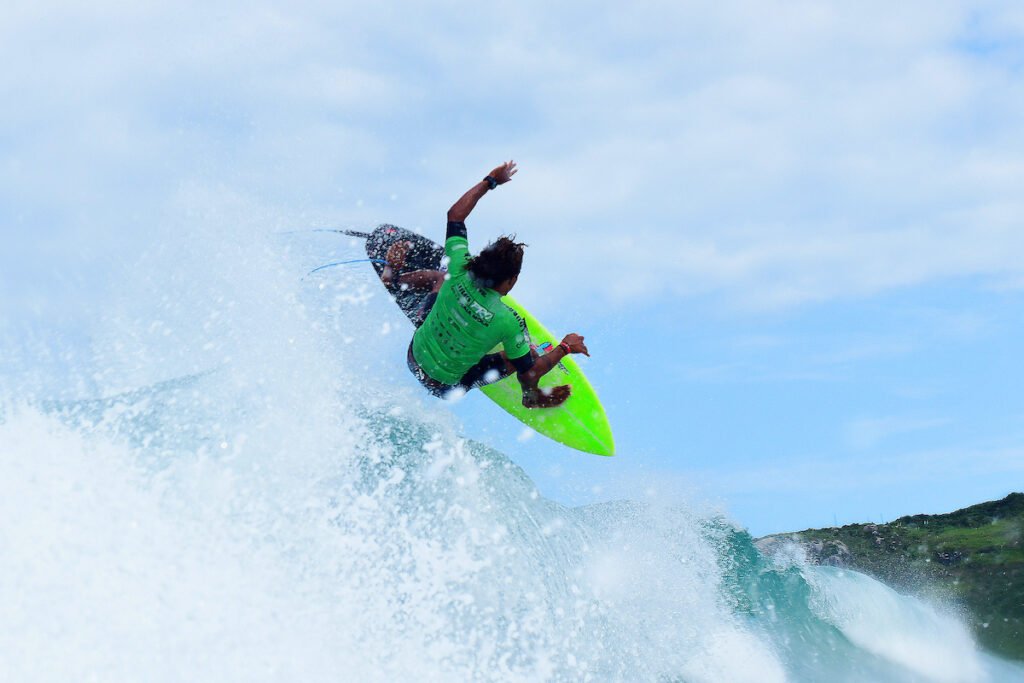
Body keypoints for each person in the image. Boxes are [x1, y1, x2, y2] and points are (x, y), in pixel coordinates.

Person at [388, 161, 589, 409]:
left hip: (413, 357)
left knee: (443, 277)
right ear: (510, 281)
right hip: (443, 386)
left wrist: (490, 181)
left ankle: (394, 279)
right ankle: (532, 398)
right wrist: (565, 347)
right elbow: (529, 373)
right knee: (526, 356)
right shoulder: (508, 321)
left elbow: (455, 215)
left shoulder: (459, 267)